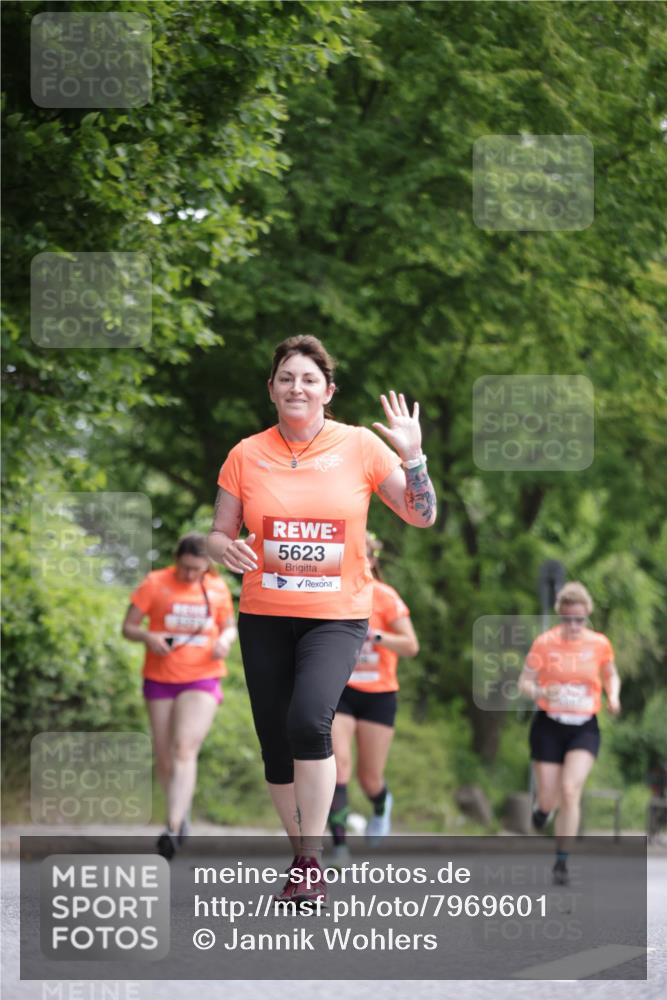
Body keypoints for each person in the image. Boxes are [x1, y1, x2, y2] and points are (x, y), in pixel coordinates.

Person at [208, 335, 436, 903]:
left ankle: (310, 859)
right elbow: (220, 532)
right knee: (276, 745)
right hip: (264, 614)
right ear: (271, 390)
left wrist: (413, 457)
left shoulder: (359, 446)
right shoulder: (245, 454)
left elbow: (420, 515)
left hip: (336, 617)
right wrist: (224, 549)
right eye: (286, 378)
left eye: (309, 379)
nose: (297, 387)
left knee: (310, 720)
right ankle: (300, 853)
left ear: (327, 391)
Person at [122, 532, 237, 859]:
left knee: (184, 748)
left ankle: (171, 827)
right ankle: (181, 811)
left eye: (197, 569)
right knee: (165, 755)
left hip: (202, 676)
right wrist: (147, 636)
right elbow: (128, 627)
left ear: (207, 566)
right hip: (160, 678)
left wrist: (225, 640)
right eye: (185, 567)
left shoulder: (216, 588)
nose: (190, 575)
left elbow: (229, 625)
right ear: (176, 559)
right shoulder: (154, 583)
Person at [518, 581, 621, 885]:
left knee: (570, 790)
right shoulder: (544, 643)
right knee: (550, 797)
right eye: (568, 619)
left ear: (587, 615)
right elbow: (525, 682)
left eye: (579, 619)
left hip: (584, 727)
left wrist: (613, 696)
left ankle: (562, 861)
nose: (574, 625)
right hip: (549, 724)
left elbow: (611, 675)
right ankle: (542, 810)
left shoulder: (599, 644)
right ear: (560, 616)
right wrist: (540, 690)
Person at [328, 532, 419, 863]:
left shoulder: (385, 597)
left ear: (373, 559)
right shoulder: (331, 593)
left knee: (370, 779)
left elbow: (411, 646)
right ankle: (339, 845)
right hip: (341, 689)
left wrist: (377, 636)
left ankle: (381, 804)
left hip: (379, 694)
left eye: (364, 554)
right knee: (338, 765)